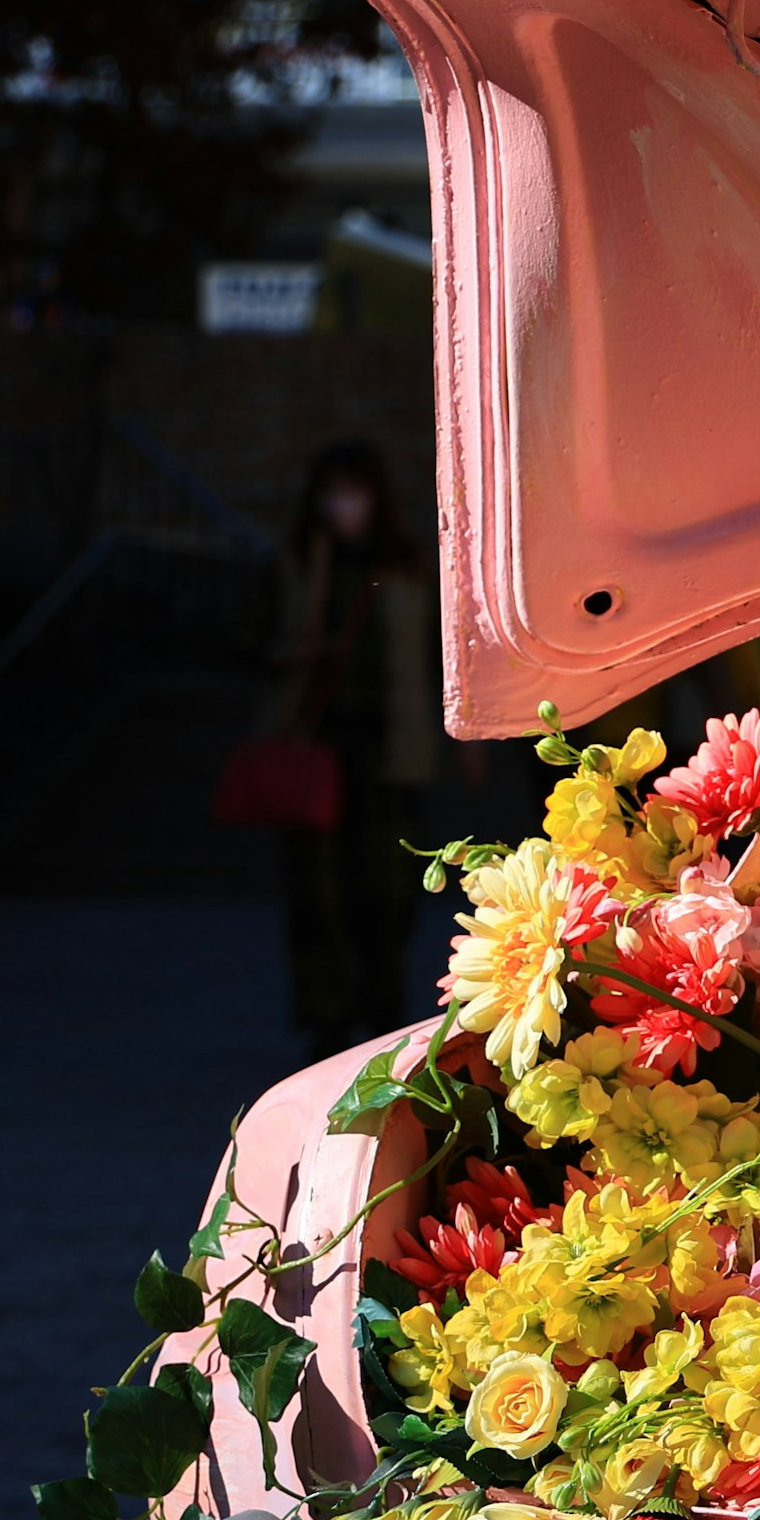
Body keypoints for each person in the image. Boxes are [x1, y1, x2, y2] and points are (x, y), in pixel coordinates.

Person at [263, 439, 436, 1058]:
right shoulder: (298, 561)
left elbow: (430, 653)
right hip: (317, 747)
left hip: (388, 748)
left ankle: (384, 1011)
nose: (342, 505)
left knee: (388, 888)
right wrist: (313, 577)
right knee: (319, 892)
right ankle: (327, 1021)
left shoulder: (405, 564)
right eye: (332, 491)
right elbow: (267, 644)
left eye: (353, 491)